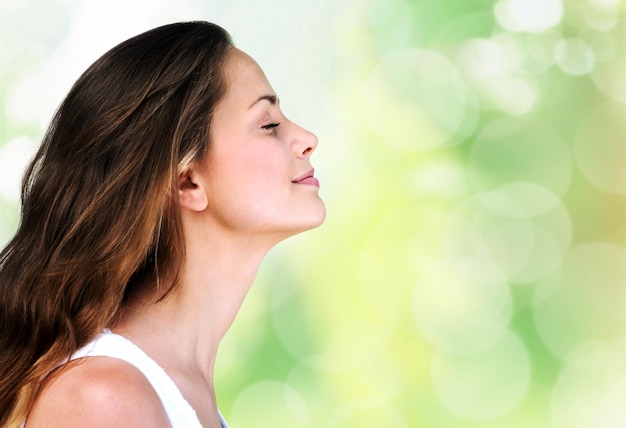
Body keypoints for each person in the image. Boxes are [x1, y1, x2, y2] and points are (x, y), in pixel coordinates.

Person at [0, 21, 325, 427]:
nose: (307, 138)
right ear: (187, 180)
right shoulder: (103, 399)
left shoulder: (172, 392)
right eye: (268, 124)